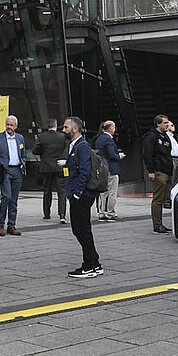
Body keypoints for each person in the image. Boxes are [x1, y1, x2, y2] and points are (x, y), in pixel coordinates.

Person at [63, 116, 101, 278]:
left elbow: (85, 171)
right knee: (82, 229)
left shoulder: (82, 146)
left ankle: (89, 266)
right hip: (78, 193)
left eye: (66, 127)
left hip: (82, 195)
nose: (63, 130)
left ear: (75, 129)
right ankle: (95, 263)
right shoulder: (75, 146)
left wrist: (77, 193)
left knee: (81, 230)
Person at [0, 115, 26, 236]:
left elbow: (23, 154)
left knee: (14, 200)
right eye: (7, 124)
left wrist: (23, 164)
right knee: (7, 196)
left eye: (11, 125)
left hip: (17, 171)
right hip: (5, 171)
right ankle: (1, 224)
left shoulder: (20, 138)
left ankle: (11, 225)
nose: (9, 127)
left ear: (16, 126)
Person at [143, 114, 175, 234]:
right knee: (158, 199)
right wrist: (151, 171)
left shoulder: (165, 136)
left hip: (167, 170)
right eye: (165, 123)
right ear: (158, 124)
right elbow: (147, 154)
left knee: (163, 198)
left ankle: (160, 223)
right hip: (159, 170)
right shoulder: (151, 136)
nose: (167, 125)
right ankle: (157, 225)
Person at [35, 119, 67, 224]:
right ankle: (62, 215)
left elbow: (35, 150)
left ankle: (47, 213)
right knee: (61, 191)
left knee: (47, 190)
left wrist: (43, 153)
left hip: (46, 167)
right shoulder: (62, 137)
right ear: (56, 125)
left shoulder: (42, 137)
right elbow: (66, 149)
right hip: (59, 166)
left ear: (47, 126)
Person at [94, 120, 122, 221]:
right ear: (110, 128)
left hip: (102, 168)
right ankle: (111, 213)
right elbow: (111, 155)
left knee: (103, 192)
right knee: (112, 192)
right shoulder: (108, 140)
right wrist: (119, 156)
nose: (115, 129)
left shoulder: (99, 139)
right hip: (111, 169)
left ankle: (101, 212)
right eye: (114, 127)